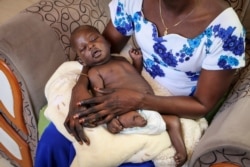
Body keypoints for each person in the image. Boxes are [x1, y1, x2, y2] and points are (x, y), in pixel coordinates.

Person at [35, 0, 245, 167]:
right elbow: (103, 50)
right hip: (126, 80)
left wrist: (139, 100)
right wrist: (80, 86)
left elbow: (202, 105)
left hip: (176, 102)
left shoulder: (225, 29)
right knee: (53, 141)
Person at [70, 25, 187, 166]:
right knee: (126, 118)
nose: (90, 46)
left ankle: (181, 153)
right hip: (124, 107)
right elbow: (100, 96)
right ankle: (132, 121)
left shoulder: (121, 60)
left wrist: (137, 62)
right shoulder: (95, 72)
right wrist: (109, 120)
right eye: (83, 49)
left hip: (149, 103)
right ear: (82, 61)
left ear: (107, 42)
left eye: (94, 39)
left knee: (173, 121)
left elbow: (134, 76)